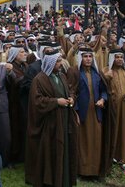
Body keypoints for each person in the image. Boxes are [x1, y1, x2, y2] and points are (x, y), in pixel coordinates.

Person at [25, 52, 78, 187]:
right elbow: (37, 101)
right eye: (58, 61)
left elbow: (70, 90)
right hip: (51, 125)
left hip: (65, 121)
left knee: (65, 150)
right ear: (50, 63)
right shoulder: (39, 79)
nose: (60, 64)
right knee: (52, 152)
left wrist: (71, 98)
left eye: (60, 61)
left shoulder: (62, 76)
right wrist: (56, 102)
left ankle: (64, 180)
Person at [68, 48, 108, 177]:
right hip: (82, 113)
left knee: (96, 141)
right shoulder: (75, 72)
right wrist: (76, 112)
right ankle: (82, 171)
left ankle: (94, 171)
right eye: (85, 56)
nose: (88, 59)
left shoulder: (97, 73)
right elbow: (71, 92)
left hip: (96, 112)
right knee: (83, 141)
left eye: (90, 56)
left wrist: (103, 99)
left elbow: (104, 90)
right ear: (81, 58)